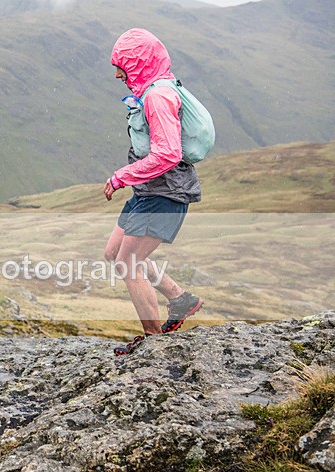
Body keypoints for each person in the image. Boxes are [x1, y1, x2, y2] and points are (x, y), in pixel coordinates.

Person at [103, 28, 203, 356]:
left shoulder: (159, 96)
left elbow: (168, 154)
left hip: (165, 193)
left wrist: (122, 176)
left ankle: (153, 342)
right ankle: (179, 298)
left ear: (139, 63)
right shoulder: (148, 91)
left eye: (123, 66)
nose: (118, 74)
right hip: (148, 191)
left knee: (129, 262)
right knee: (114, 254)